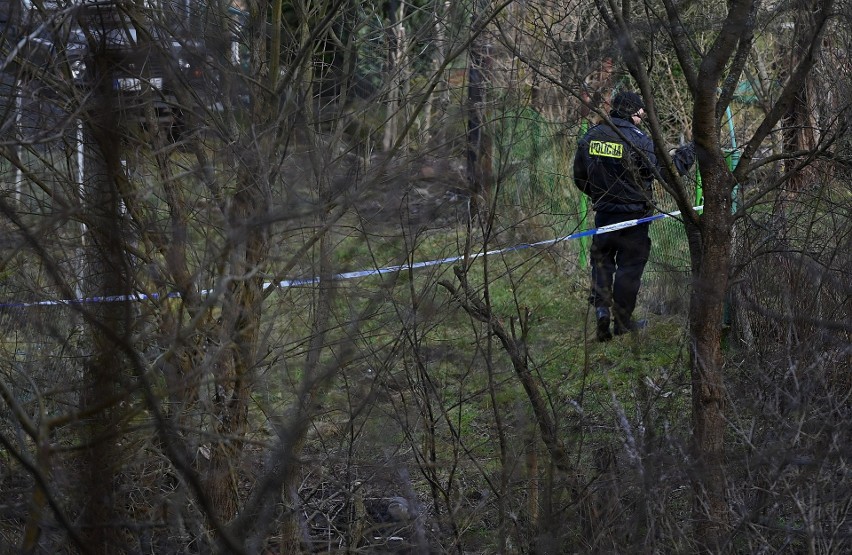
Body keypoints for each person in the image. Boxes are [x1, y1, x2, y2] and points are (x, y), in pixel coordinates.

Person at [573, 90, 694, 341]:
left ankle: (602, 310)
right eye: (640, 111)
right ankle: (622, 322)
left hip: (604, 215)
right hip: (635, 219)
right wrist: (690, 152)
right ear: (633, 112)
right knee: (629, 269)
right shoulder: (640, 141)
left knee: (602, 262)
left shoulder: (592, 135)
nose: (642, 116)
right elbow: (666, 172)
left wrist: (600, 196)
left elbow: (579, 176)